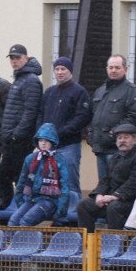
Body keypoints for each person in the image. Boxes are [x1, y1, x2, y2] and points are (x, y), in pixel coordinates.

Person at [77, 123, 136, 233]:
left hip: (130, 200)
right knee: (84, 205)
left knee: (114, 207)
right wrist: (99, 195)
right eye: (119, 138)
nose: (122, 141)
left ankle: (115, 244)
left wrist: (114, 196)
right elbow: (105, 179)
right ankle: (88, 242)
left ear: (135, 139)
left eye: (126, 137)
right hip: (110, 198)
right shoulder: (116, 156)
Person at [37, 57, 91, 193]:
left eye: (63, 69)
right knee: (47, 182)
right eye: (57, 69)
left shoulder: (79, 92)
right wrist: (41, 136)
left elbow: (82, 118)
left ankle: (73, 211)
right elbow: (40, 115)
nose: (60, 72)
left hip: (69, 145)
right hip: (48, 146)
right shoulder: (49, 92)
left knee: (69, 182)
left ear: (70, 71)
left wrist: (60, 132)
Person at [0, 44, 44, 206]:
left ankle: (18, 213)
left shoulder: (31, 80)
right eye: (12, 58)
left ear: (26, 58)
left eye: (18, 57)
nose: (14, 61)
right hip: (11, 139)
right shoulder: (20, 78)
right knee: (4, 176)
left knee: (20, 178)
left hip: (21, 141)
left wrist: (16, 134)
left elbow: (30, 112)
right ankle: (8, 212)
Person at [87, 54, 136, 180]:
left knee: (116, 184)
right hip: (99, 148)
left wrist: (115, 134)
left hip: (118, 150)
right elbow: (92, 115)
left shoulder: (132, 90)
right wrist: (90, 133)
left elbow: (134, 117)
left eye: (117, 68)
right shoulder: (100, 91)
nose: (113, 70)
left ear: (126, 69)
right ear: (107, 69)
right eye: (111, 67)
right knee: (103, 185)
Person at [8, 123, 71, 227]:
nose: (43, 143)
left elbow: (65, 188)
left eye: (46, 140)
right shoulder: (30, 158)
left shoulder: (59, 160)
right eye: (40, 140)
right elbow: (21, 182)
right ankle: (8, 243)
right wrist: (20, 203)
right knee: (13, 221)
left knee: (26, 221)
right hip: (32, 199)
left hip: (50, 201)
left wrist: (60, 212)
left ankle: (23, 244)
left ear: (52, 142)